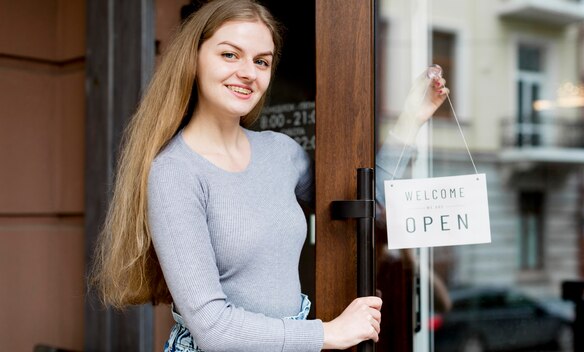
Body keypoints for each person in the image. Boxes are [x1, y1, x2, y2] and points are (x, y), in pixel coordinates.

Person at [90, 0, 449, 351]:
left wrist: (410, 120)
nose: (248, 72)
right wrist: (328, 334)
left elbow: (361, 204)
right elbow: (213, 329)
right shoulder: (175, 172)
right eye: (230, 55)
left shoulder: (281, 152)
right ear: (193, 59)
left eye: (261, 61)